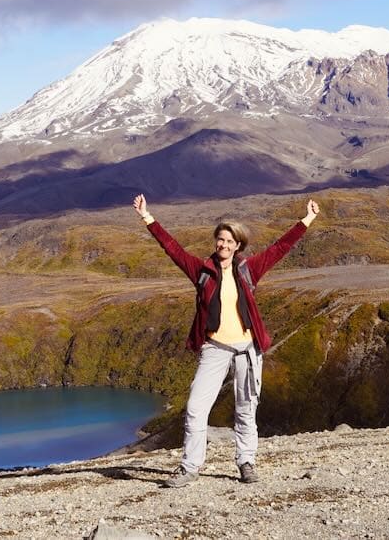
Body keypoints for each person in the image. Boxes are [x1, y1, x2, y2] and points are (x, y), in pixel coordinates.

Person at [132, 193, 320, 487]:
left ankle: (246, 462)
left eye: (229, 241)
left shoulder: (249, 270)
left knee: (246, 408)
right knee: (195, 408)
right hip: (214, 349)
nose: (223, 245)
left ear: (238, 245)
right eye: (220, 239)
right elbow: (172, 249)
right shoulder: (202, 271)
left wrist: (307, 219)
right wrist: (147, 217)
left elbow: (281, 247)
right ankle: (190, 467)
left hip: (247, 349)